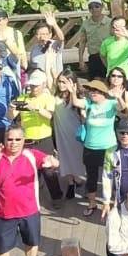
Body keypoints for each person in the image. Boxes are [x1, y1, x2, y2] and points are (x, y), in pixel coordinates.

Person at [0, 124, 58, 256]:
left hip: (30, 211)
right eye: (10, 139)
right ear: (4, 140)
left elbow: (53, 162)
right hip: (4, 212)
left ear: (24, 140)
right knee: (2, 248)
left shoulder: (31, 155)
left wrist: (53, 162)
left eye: (18, 139)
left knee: (31, 243)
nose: (14, 143)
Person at [9, 70, 63, 201]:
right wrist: (11, 109)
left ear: (44, 85)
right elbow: (11, 116)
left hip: (44, 139)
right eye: (32, 85)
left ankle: (57, 197)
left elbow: (49, 115)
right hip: (27, 140)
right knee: (28, 170)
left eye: (36, 85)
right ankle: (29, 196)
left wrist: (36, 108)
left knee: (48, 170)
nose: (33, 88)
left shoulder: (47, 98)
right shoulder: (23, 98)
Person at [70, 79, 119, 214]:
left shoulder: (111, 103)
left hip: (108, 147)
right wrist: (73, 93)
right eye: (90, 91)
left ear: (103, 92)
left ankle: (110, 202)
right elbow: (76, 103)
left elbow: (122, 109)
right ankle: (92, 203)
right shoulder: (88, 103)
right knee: (91, 177)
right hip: (90, 147)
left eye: (95, 91)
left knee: (109, 176)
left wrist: (119, 97)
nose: (92, 93)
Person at [51, 74, 88, 202]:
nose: (61, 85)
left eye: (64, 82)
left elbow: (82, 111)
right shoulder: (55, 96)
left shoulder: (78, 96)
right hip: (61, 133)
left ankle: (80, 180)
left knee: (77, 159)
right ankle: (71, 184)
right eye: (59, 82)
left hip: (75, 134)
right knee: (64, 158)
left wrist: (73, 94)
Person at [78, 0, 113, 79]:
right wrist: (81, 60)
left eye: (97, 6)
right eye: (91, 7)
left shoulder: (110, 22)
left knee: (109, 81)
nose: (94, 9)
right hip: (94, 57)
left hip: (108, 56)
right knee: (95, 83)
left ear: (102, 7)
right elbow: (82, 42)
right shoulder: (85, 24)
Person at [27, 13, 66, 78]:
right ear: (36, 36)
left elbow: (61, 38)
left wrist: (54, 24)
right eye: (40, 34)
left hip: (55, 80)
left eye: (45, 34)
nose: (43, 37)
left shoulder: (54, 44)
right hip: (40, 82)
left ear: (50, 35)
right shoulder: (34, 48)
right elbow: (32, 66)